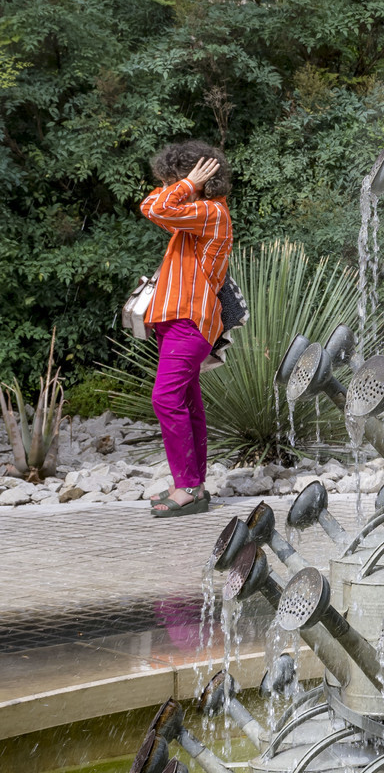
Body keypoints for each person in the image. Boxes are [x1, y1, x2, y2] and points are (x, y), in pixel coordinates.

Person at [139, 142, 233, 518]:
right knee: (187, 402)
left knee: (165, 398)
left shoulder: (212, 212)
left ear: (198, 181)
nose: (166, 187)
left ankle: (189, 488)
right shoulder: (192, 219)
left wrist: (189, 184)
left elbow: (159, 205)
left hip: (190, 322)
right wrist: (184, 186)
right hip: (177, 322)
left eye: (171, 180)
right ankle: (191, 484)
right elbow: (152, 206)